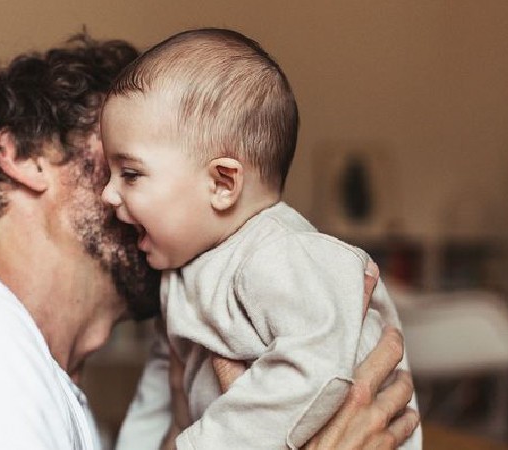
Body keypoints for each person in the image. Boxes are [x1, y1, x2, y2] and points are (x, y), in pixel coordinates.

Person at [0, 33, 418, 450]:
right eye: (112, 155)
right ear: (29, 156)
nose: (118, 193)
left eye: (134, 168)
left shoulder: (44, 380)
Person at [102, 28, 421, 450]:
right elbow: (159, 392)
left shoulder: (281, 253)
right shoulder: (183, 272)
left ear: (222, 182)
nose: (107, 194)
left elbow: (316, 372)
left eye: (130, 174)